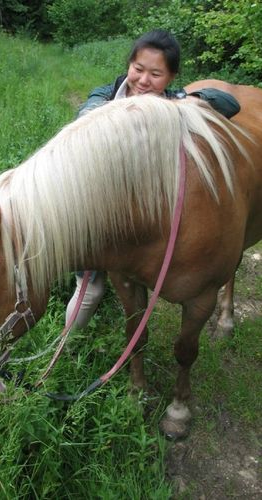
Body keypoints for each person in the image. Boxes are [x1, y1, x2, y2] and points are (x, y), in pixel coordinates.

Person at [65, 29, 240, 329]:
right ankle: (68, 346)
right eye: (138, 69)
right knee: (89, 289)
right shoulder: (105, 96)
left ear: (171, 77)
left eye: (156, 74)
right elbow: (85, 119)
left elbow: (230, 104)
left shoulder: (172, 102)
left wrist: (188, 101)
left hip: (140, 216)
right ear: (129, 66)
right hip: (99, 209)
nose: (144, 81)